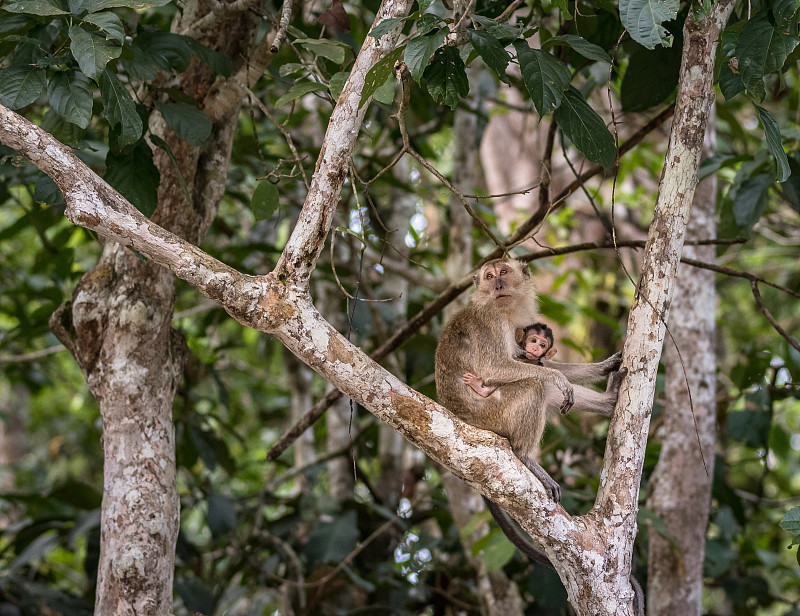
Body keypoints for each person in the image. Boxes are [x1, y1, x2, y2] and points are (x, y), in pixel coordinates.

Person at [462, 322, 556, 398]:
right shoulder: (513, 352)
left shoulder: (537, 367)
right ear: (521, 337)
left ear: (548, 353)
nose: (535, 347)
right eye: (533, 340)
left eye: (542, 345)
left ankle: (486, 389)